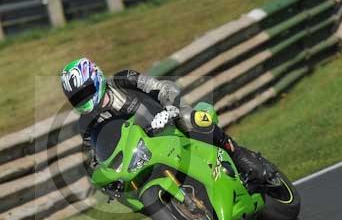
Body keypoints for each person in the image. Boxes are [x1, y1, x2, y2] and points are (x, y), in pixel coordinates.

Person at [60, 57, 275, 190]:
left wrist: (171, 108)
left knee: (193, 120)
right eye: (77, 98)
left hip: (168, 118)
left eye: (86, 92)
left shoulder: (124, 80)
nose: (84, 100)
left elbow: (160, 87)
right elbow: (94, 157)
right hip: (141, 150)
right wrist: (105, 176)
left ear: (97, 78)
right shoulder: (86, 122)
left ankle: (238, 155)